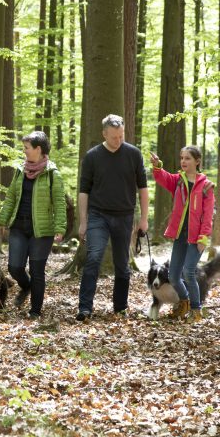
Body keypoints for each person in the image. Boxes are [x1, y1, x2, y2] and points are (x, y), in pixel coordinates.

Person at [76, 114, 150, 321]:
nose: (118, 140)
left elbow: (143, 188)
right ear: (104, 134)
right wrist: (83, 221)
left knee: (122, 263)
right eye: (114, 137)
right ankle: (84, 308)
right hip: (98, 215)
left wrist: (144, 219)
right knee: (93, 257)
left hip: (125, 216)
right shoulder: (92, 156)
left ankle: (120, 307)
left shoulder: (133, 154)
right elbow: (84, 191)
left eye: (121, 136)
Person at [0, 131, 67, 321]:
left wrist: (60, 228)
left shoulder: (53, 174)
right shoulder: (20, 170)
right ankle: (26, 285)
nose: (24, 151)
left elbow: (60, 203)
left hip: (42, 231)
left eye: (27, 148)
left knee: (37, 271)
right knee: (14, 267)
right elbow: (11, 196)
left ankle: (35, 310)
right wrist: (3, 220)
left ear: (38, 149)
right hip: (19, 227)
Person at [150, 145, 215, 320]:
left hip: (196, 238)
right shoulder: (179, 180)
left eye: (187, 158)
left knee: (188, 272)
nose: (183, 161)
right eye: (182, 158)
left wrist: (204, 237)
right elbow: (163, 178)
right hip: (180, 235)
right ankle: (184, 302)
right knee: (173, 275)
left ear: (197, 161)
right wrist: (157, 166)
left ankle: (196, 309)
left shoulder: (206, 186)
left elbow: (208, 215)